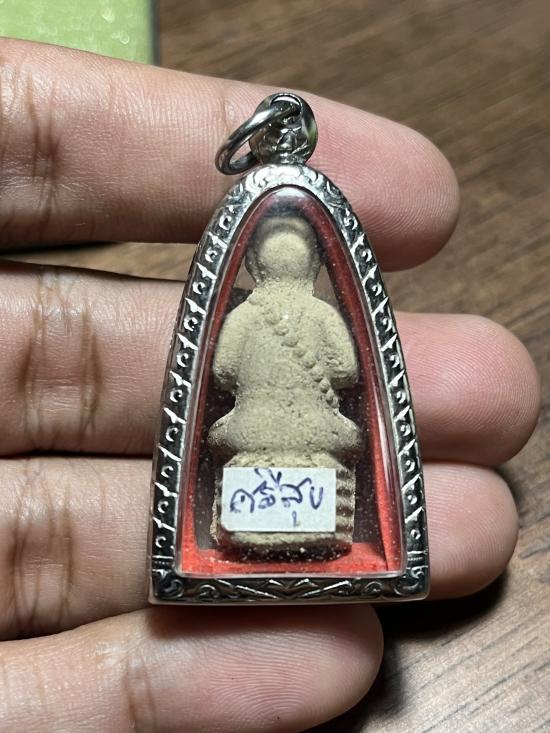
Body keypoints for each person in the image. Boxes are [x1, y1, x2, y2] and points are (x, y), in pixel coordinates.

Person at [0, 38, 540, 732]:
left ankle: (244, 537)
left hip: (251, 429)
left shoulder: (246, 315)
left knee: (254, 448)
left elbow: (223, 372)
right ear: (312, 264)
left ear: (254, 262)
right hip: (314, 430)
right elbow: (346, 372)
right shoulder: (320, 314)